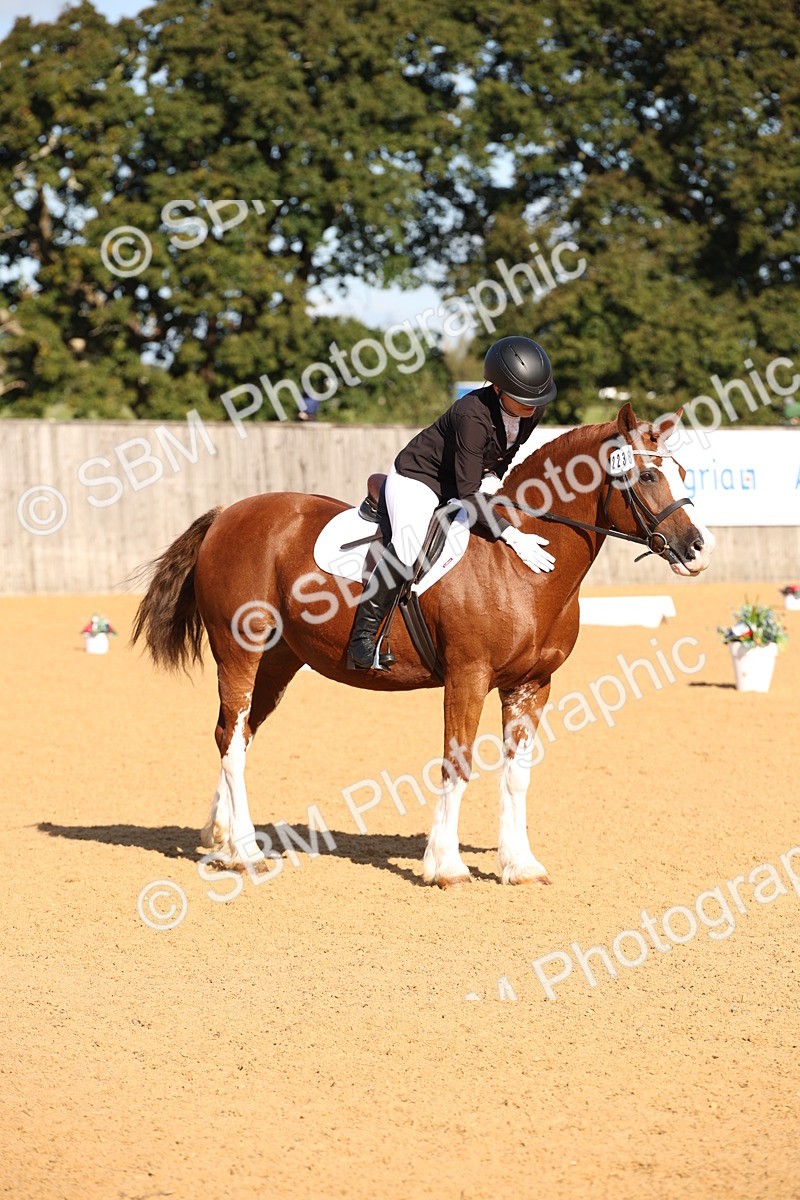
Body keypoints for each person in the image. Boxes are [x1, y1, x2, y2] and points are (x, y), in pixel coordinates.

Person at [346, 334, 558, 671]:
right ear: (499, 390)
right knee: (408, 545)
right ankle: (361, 640)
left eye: (536, 398)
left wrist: (496, 477)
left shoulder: (533, 408)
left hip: (464, 480)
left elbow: (505, 455)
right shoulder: (471, 414)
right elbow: (468, 495)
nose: (531, 406)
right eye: (523, 399)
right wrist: (513, 536)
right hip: (419, 479)